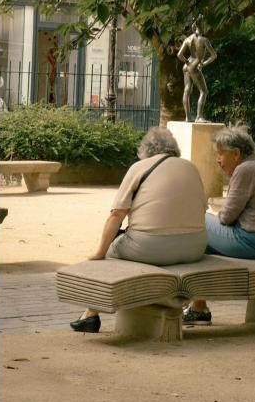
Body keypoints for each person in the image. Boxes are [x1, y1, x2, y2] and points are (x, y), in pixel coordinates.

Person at [70, 127, 208, 333]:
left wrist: (99, 252)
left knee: (110, 252)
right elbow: (202, 209)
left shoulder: (140, 167)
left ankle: (91, 314)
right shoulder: (191, 167)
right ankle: (200, 307)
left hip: (151, 247)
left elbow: (116, 215)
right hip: (194, 247)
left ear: (145, 149)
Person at [183, 126, 255, 326]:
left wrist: (215, 214)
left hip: (254, 241)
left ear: (236, 153)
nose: (218, 160)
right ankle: (198, 307)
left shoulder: (244, 170)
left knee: (196, 219)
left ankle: (198, 307)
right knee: (202, 239)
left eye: (221, 154)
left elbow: (226, 217)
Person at [177, 19, 217, 123]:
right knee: (203, 91)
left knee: (187, 90)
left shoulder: (188, 39)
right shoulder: (204, 40)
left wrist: (187, 61)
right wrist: (203, 63)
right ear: (201, 27)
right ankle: (199, 117)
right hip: (195, 65)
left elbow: (179, 55)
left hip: (187, 65)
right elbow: (214, 55)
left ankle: (188, 117)